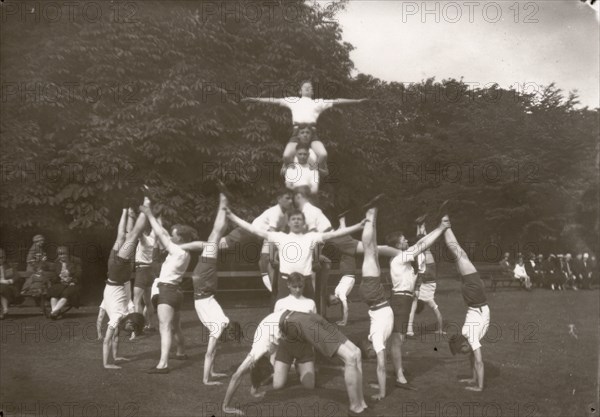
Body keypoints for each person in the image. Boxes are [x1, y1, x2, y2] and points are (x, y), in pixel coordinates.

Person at [222, 310, 368, 416]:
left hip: (298, 323)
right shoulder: (261, 335)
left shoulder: (259, 347)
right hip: (306, 316)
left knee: (349, 358)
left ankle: (355, 409)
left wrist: (226, 406)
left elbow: (237, 375)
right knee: (356, 352)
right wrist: (254, 390)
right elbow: (258, 367)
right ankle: (362, 405)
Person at [225, 207, 367, 302]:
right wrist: (232, 216)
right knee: (281, 311)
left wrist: (358, 226)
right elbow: (254, 230)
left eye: (300, 220)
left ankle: (322, 303)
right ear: (288, 222)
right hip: (284, 282)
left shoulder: (310, 237)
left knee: (309, 313)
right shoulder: (279, 236)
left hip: (304, 284)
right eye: (293, 220)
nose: (297, 222)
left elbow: (333, 234)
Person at [376, 214, 450, 390]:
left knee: (398, 339)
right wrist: (440, 228)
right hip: (400, 300)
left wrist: (431, 230)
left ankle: (396, 370)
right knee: (397, 340)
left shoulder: (403, 258)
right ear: (396, 245)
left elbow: (421, 243)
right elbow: (421, 244)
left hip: (404, 299)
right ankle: (399, 376)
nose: (406, 241)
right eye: (403, 240)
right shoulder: (400, 257)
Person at [178, 193, 242, 384]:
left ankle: (223, 203)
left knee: (215, 236)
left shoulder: (219, 326)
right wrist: (209, 378)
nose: (229, 341)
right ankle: (223, 203)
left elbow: (209, 353)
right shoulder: (220, 326)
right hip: (203, 286)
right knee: (214, 237)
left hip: (204, 286)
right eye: (231, 337)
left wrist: (208, 378)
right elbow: (210, 353)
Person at [242, 80, 367, 176]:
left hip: (312, 132)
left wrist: (356, 101)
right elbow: (273, 100)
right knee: (286, 156)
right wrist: (256, 99)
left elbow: (337, 101)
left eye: (310, 88)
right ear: (300, 91)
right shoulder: (293, 100)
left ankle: (318, 170)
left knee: (323, 154)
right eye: (305, 87)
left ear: (312, 92)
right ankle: (287, 167)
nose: (308, 88)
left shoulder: (318, 102)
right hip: (297, 132)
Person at [141, 201, 198, 374]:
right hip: (176, 293)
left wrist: (149, 214)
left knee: (164, 327)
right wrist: (155, 216)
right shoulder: (184, 251)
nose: (170, 237)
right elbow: (164, 233)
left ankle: (163, 364)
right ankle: (181, 352)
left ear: (179, 238)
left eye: (173, 236)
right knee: (176, 326)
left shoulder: (177, 250)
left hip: (166, 291)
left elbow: (160, 234)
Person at [103, 202, 153, 369]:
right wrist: (114, 359)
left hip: (117, 275)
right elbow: (115, 336)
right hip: (117, 274)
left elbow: (107, 340)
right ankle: (131, 210)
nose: (130, 325)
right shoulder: (123, 313)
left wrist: (106, 364)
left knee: (129, 237)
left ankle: (135, 210)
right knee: (125, 237)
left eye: (130, 326)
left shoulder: (118, 316)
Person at [442, 215, 489, 392]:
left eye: (462, 350)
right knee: (459, 254)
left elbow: (479, 361)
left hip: (475, 297)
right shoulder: (468, 337)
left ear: (462, 344)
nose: (465, 352)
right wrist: (473, 379)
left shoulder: (469, 336)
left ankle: (445, 225)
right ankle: (445, 225)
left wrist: (479, 387)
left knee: (459, 253)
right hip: (475, 299)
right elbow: (474, 357)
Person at [220, 188, 293, 292]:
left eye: (291, 199)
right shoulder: (275, 212)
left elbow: (278, 238)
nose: (291, 201)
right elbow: (272, 236)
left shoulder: (285, 217)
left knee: (268, 256)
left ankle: (272, 285)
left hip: (255, 239)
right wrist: (272, 257)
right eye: (287, 198)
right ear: (279, 199)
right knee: (215, 246)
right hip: (246, 234)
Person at [357, 206, 394, 401]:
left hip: (377, 299)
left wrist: (381, 391)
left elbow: (381, 364)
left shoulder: (377, 337)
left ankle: (372, 217)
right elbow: (381, 364)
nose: (368, 346)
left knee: (371, 253)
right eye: (367, 348)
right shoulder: (378, 339)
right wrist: (381, 391)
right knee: (370, 253)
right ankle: (371, 217)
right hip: (374, 297)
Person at [407, 219, 445, 336]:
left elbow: (439, 315)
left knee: (424, 246)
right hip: (427, 273)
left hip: (432, 274)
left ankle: (421, 226)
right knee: (423, 245)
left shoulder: (429, 299)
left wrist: (440, 329)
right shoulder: (420, 298)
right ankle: (421, 226)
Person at [47, 246, 82, 319]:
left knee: (66, 294)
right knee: (54, 293)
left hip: (71, 284)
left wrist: (72, 280)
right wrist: (58, 278)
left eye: (64, 254)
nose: (62, 256)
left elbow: (79, 274)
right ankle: (55, 313)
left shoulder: (74, 263)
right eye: (60, 254)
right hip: (60, 283)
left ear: (67, 254)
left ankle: (53, 312)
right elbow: (53, 276)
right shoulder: (56, 264)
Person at [0, 248, 20, 319]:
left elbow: (17, 275)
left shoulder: (8, 266)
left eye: (2, 257)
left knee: (2, 289)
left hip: (8, 287)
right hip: (2, 287)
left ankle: (3, 311)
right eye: (0, 257)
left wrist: (11, 280)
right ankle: (5, 310)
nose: (1, 259)